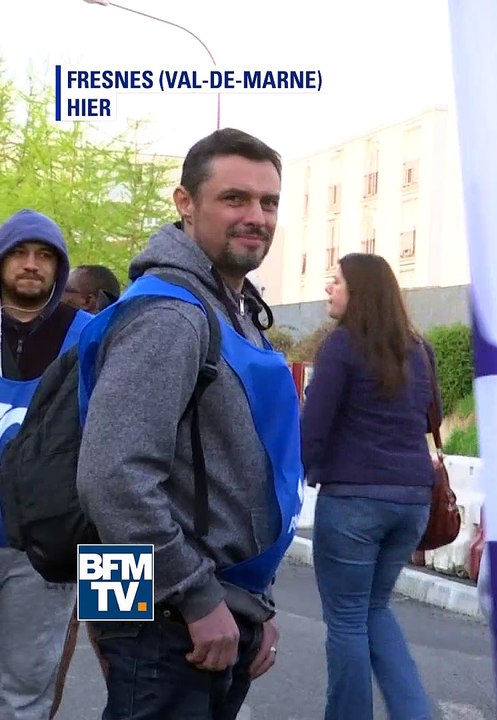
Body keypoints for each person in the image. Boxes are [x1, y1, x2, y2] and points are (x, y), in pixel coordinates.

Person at [76, 128, 298, 720]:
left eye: (268, 202)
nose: (256, 217)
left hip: (202, 602)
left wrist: (258, 606)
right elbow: (110, 477)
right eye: (234, 199)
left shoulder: (232, 307)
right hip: (180, 610)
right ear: (184, 202)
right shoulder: (170, 314)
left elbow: (238, 475)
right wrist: (199, 601)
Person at [301, 253, 438, 720]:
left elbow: (313, 426)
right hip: (413, 499)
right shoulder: (419, 350)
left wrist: (288, 481)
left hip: (356, 500)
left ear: (360, 291)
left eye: (336, 282)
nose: (328, 289)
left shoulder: (341, 347)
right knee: (374, 610)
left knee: (345, 621)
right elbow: (429, 418)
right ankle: (414, 713)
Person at [0, 209, 92, 720]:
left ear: (60, 268)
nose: (31, 265)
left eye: (44, 256)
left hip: (46, 547)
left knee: (27, 688)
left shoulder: (91, 336)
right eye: (19, 252)